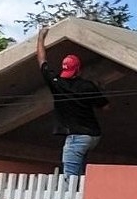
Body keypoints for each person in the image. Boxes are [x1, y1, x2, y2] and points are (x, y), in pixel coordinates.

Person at [37, 27, 109, 176]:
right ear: (78, 70)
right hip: (93, 135)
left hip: (77, 137)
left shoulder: (56, 82)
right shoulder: (87, 86)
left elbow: (42, 61)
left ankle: (73, 197)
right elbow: (106, 107)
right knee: (80, 170)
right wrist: (98, 90)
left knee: (69, 180)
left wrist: (41, 38)